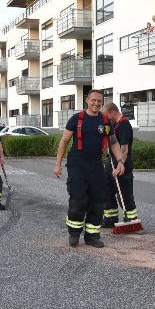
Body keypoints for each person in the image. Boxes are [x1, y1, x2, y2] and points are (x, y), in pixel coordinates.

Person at [54, 89, 125, 248]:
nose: (96, 103)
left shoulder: (105, 121)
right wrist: (58, 164)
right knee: (78, 199)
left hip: (96, 164)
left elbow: (113, 142)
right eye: (93, 100)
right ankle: (74, 233)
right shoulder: (76, 119)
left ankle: (92, 235)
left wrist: (120, 161)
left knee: (98, 200)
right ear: (87, 100)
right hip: (77, 164)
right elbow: (64, 141)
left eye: (99, 101)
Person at [101, 102, 138, 228]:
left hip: (122, 165)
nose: (105, 118)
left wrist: (119, 164)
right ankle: (110, 218)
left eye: (106, 115)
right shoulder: (113, 125)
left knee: (124, 193)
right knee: (107, 190)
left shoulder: (124, 124)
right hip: (110, 163)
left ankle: (131, 220)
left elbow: (124, 148)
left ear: (113, 112)